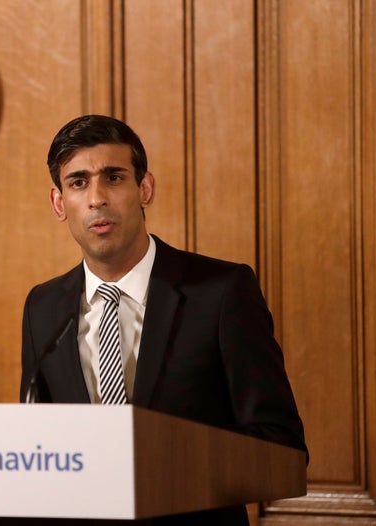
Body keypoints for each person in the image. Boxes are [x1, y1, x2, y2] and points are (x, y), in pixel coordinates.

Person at [19, 114, 307, 525]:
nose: (96, 198)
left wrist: (158, 462)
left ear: (145, 188)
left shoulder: (222, 292)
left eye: (114, 178)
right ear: (58, 203)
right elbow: (38, 445)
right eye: (78, 182)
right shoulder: (43, 307)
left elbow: (281, 446)